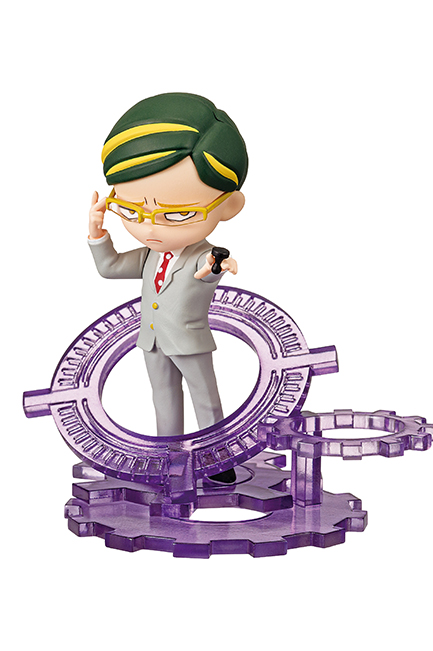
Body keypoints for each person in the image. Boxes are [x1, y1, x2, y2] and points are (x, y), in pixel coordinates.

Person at [88, 93, 248, 482]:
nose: (150, 227)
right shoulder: (148, 256)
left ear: (228, 206)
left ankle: (218, 462)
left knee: (206, 402)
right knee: (164, 401)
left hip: (189, 341)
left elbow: (208, 270)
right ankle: (169, 461)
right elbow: (109, 267)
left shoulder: (201, 254)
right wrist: (97, 233)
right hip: (152, 340)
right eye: (131, 210)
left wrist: (217, 266)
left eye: (176, 214)